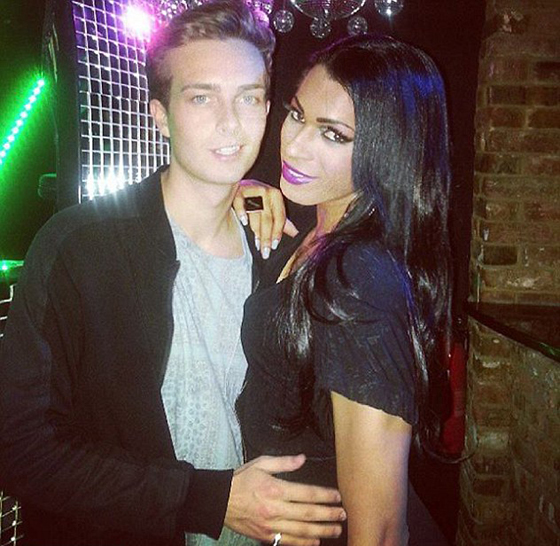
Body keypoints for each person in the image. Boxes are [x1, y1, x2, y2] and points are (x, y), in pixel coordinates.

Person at [0, 2, 346, 545]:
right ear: (160, 115)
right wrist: (207, 500)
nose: (229, 123)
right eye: (201, 97)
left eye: (248, 98)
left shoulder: (280, 254)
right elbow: (19, 448)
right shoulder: (80, 248)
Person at [236, 34, 453, 546]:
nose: (294, 145)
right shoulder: (318, 235)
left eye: (333, 134)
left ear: (387, 151)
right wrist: (237, 191)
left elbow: (380, 531)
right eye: (296, 115)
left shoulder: (359, 277)